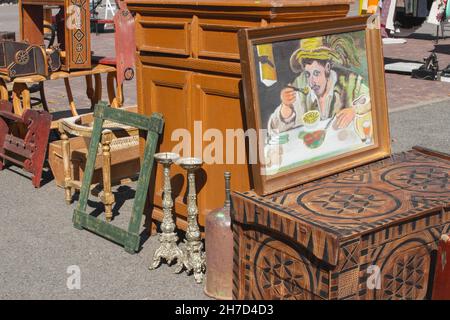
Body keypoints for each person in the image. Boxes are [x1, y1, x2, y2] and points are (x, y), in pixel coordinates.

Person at [267, 36, 371, 136]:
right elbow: (274, 129)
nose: (312, 82)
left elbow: (374, 100)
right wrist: (286, 106)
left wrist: (355, 111)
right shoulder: (300, 86)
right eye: (308, 74)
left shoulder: (351, 82)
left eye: (316, 73)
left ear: (327, 67)